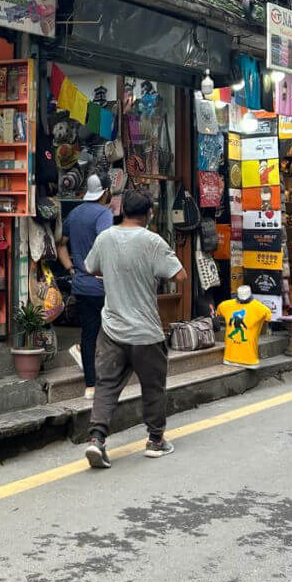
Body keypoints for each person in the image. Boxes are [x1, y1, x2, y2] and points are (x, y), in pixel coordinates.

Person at [82, 188, 186, 468]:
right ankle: (155, 440)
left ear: (120, 210)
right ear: (150, 214)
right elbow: (180, 275)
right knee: (153, 386)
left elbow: (90, 267)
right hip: (145, 332)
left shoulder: (105, 238)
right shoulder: (153, 241)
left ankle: (96, 439)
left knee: (106, 385)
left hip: (112, 327)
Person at [57, 174, 112, 399]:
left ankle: (91, 386)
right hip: (102, 284)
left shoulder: (75, 213)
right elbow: (106, 244)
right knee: (109, 332)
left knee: (89, 333)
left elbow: (61, 244)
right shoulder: (104, 214)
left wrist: (71, 268)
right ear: (105, 192)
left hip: (81, 284)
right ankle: (106, 378)